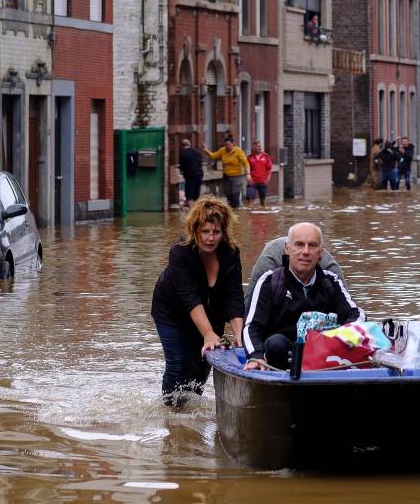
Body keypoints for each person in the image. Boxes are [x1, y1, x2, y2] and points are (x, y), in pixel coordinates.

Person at [150, 196, 245, 406]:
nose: (210, 238)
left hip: (212, 312)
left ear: (224, 232)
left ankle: (190, 410)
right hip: (172, 313)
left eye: (216, 232)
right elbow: (189, 297)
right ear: (195, 230)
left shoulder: (230, 253)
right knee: (178, 364)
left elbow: (234, 295)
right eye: (205, 232)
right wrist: (208, 333)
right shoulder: (180, 252)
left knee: (203, 363)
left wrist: (240, 334)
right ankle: (171, 412)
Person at [243, 223, 363, 370]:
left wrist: (341, 338)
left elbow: (355, 314)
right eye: (299, 245)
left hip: (324, 356)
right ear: (287, 248)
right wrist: (255, 355)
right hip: (279, 357)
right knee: (276, 344)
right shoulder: (269, 282)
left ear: (321, 252)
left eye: (312, 246)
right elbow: (251, 327)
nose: (306, 252)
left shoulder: (331, 282)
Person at [205, 136, 250, 208]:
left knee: (235, 196)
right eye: (226, 145)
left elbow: (246, 163)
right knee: (228, 197)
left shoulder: (238, 151)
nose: (227, 147)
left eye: (229, 145)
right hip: (226, 177)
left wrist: (248, 174)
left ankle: (237, 213)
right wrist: (205, 150)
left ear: (232, 144)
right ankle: (230, 213)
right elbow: (213, 156)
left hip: (236, 177)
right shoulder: (223, 150)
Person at [247, 142, 273, 207]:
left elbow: (269, 168)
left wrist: (268, 178)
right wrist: (248, 176)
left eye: (260, 146)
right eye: (258, 146)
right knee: (250, 200)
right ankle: (250, 215)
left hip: (262, 181)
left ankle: (263, 215)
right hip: (252, 182)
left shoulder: (266, 156)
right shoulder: (249, 157)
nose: (260, 148)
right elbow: (247, 168)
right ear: (253, 148)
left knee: (263, 201)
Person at [178, 139, 204, 205]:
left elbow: (182, 166)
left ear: (182, 146)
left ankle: (191, 210)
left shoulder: (183, 154)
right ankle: (196, 209)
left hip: (190, 176)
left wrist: (181, 171)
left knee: (190, 195)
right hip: (199, 175)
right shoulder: (197, 152)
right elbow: (200, 163)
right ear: (189, 144)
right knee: (196, 194)